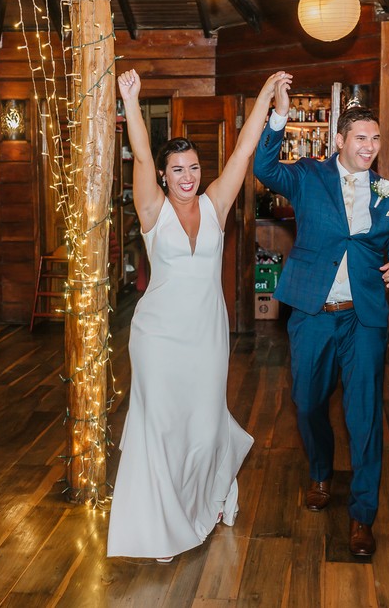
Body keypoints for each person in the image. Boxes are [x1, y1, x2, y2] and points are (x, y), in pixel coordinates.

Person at [107, 69, 292, 562]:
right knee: (163, 429)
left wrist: (266, 97)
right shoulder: (152, 210)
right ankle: (162, 528)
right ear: (164, 177)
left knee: (206, 425)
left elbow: (244, 151)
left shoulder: (215, 204)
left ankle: (204, 502)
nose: (188, 177)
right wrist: (131, 101)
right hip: (158, 339)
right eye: (178, 170)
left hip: (206, 337)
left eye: (193, 167)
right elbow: (142, 153)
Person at [254, 100, 389, 557]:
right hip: (311, 311)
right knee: (307, 403)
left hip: (363, 316)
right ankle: (321, 472)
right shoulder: (308, 175)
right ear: (340, 141)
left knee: (364, 416)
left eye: (375, 138)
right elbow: (264, 165)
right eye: (360, 138)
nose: (369, 146)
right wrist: (280, 117)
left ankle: (363, 516)